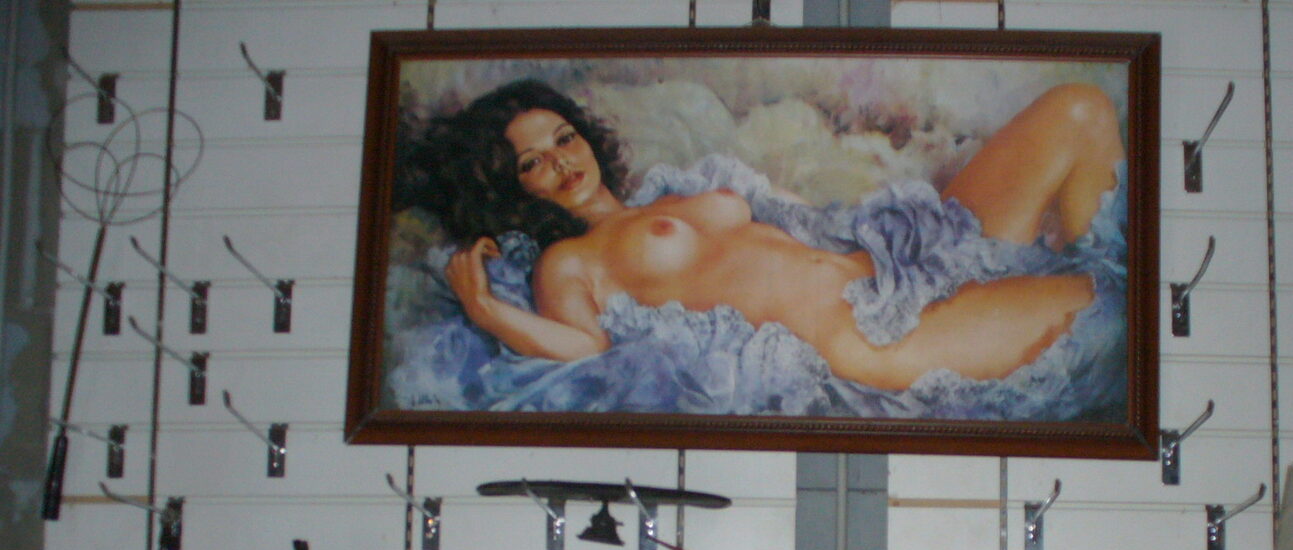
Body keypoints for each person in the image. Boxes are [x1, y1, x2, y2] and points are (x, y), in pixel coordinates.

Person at [397, 77, 1124, 394]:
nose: (561, 163)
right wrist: (486, 310)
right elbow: (587, 348)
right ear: (513, 188)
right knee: (1113, 310)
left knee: (1079, 110)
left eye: (562, 138)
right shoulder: (568, 261)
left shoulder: (678, 187)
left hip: (904, 262)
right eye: (532, 162)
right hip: (871, 334)